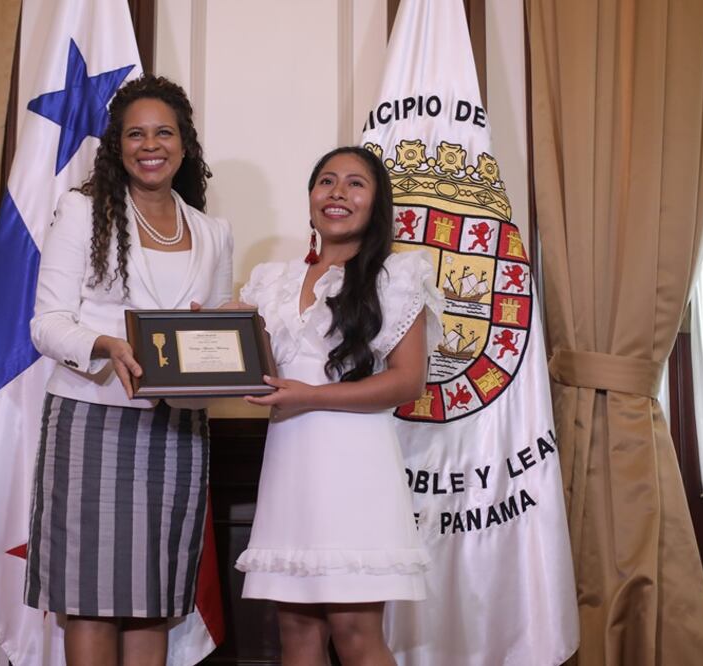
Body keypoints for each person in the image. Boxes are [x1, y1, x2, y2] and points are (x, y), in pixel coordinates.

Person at [25, 74, 233, 666]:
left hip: (178, 431)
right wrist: (108, 344)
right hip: (93, 420)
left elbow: (213, 327)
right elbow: (47, 324)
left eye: (164, 132)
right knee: (90, 599)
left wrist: (236, 327)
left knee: (153, 597)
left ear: (185, 144)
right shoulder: (83, 212)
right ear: (117, 146)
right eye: (136, 133)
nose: (151, 144)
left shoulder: (213, 233)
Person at [234, 146, 444, 665]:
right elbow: (233, 349)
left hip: (357, 465)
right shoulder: (271, 281)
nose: (338, 193)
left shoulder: (396, 276)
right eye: (326, 181)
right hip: (290, 464)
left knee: (355, 632)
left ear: (376, 204)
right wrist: (197, 331)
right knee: (297, 631)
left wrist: (309, 396)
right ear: (310, 198)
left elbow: (407, 381)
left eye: (355, 184)